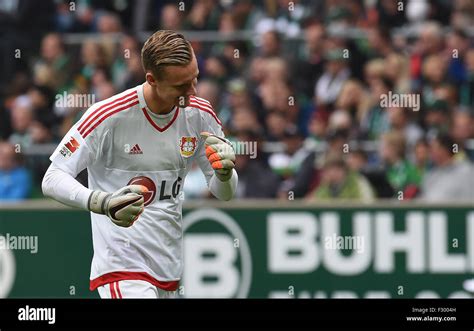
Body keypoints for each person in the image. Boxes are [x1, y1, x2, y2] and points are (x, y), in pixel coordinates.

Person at [42, 30, 238, 298]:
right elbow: (52, 178)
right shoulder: (107, 116)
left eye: (195, 79)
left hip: (168, 271)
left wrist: (225, 174)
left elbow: (223, 193)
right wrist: (102, 202)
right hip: (121, 266)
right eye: (181, 86)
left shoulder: (200, 114)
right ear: (152, 80)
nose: (193, 92)